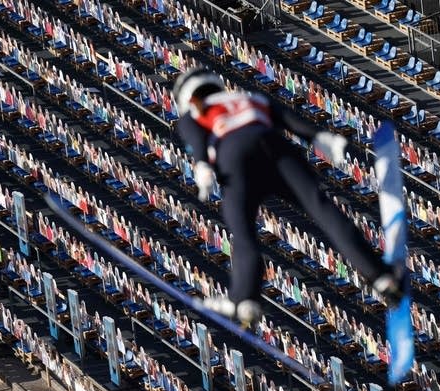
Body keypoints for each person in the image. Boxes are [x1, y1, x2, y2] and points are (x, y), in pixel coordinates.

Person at [172, 68, 402, 323]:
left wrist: (202, 162)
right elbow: (286, 117)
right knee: (322, 208)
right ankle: (380, 276)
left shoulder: (199, 108)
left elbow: (192, 129)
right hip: (275, 147)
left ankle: (245, 299)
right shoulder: (249, 97)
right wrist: (318, 136)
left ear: (188, 97)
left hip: (235, 158)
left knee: (244, 233)